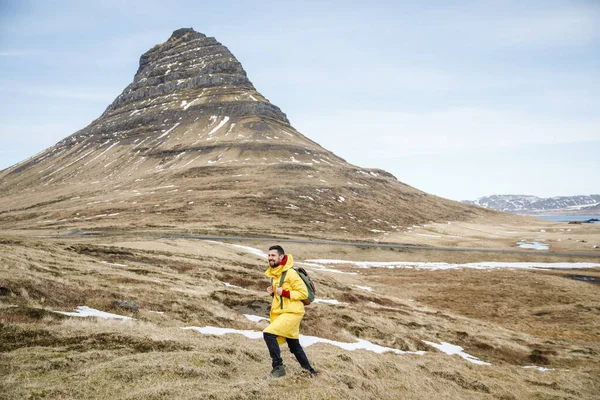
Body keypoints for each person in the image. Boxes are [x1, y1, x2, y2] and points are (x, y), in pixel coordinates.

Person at [263, 245, 317, 378]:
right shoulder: (275, 273)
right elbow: (280, 297)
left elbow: (303, 293)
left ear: (281, 257)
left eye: (273, 255)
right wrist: (273, 293)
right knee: (294, 344)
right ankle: (310, 371)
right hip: (284, 312)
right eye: (269, 255)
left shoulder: (290, 273)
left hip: (293, 313)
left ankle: (278, 368)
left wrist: (284, 292)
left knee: (268, 333)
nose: (270, 258)